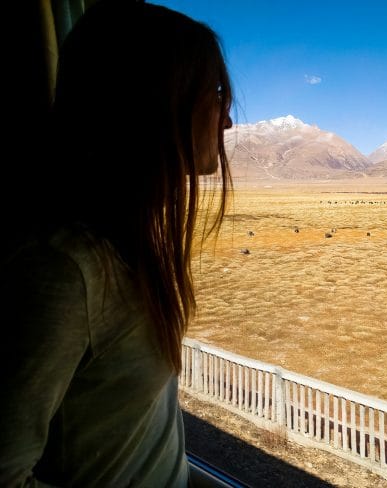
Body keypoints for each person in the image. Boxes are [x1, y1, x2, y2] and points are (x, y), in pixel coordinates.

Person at [0, 1, 233, 486]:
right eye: (216, 93)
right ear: (162, 99)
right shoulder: (65, 269)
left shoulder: (127, 243)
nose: (227, 121)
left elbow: (141, 445)